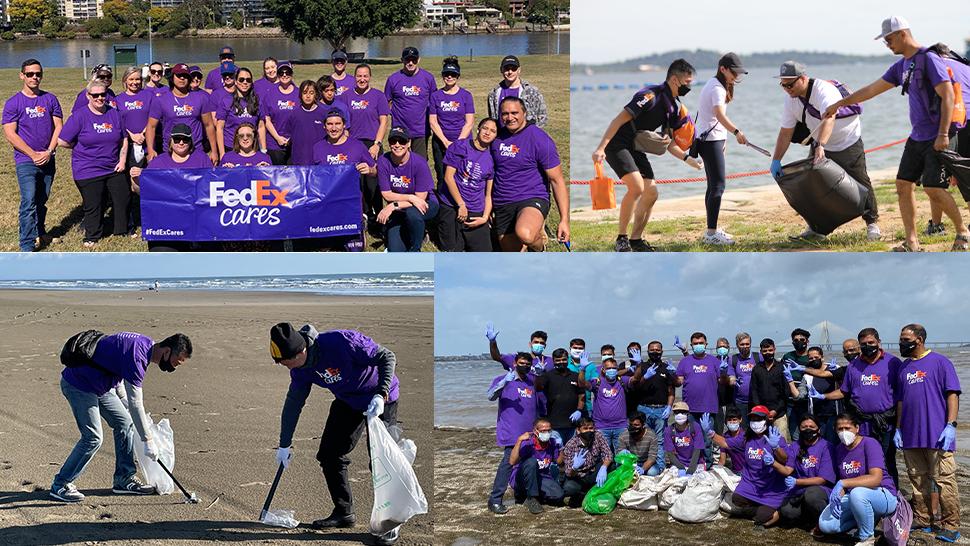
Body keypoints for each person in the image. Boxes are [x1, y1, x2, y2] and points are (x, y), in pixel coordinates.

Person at [824, 16, 970, 251]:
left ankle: (963, 231)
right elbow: (872, 89)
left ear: (903, 34)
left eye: (889, 39)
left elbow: (948, 96)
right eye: (885, 41)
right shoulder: (902, 66)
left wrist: (943, 134)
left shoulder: (928, 58)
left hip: (938, 134)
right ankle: (912, 242)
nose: (887, 44)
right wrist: (841, 103)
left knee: (933, 189)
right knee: (903, 184)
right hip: (917, 136)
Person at [269, 322, 402, 546]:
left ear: (301, 351)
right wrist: (284, 444)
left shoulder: (342, 342)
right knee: (329, 455)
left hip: (381, 397)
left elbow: (387, 356)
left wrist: (381, 394)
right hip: (348, 401)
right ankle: (344, 513)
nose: (286, 367)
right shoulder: (300, 370)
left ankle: (389, 522)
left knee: (383, 463)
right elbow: (294, 404)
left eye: (286, 362)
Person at [50, 331, 193, 502]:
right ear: (167, 351)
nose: (174, 367)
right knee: (93, 438)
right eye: (176, 362)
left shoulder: (144, 344)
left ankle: (123, 479)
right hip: (79, 384)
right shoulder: (137, 356)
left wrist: (124, 402)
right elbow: (136, 403)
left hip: (101, 387)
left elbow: (116, 369)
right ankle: (61, 484)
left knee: (126, 424)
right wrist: (148, 441)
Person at [592, 59, 704, 252]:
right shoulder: (649, 96)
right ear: (675, 80)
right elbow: (617, 120)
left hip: (635, 147)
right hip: (617, 144)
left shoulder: (674, 107)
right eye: (687, 82)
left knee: (651, 192)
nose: (689, 87)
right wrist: (601, 148)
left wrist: (688, 159)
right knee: (636, 187)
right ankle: (621, 239)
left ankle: (636, 240)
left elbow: (668, 143)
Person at [770, 61, 881, 242]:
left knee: (861, 181)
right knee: (812, 187)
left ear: (803, 79)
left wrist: (820, 144)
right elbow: (785, 132)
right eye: (783, 85)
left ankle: (872, 224)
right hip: (820, 144)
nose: (787, 88)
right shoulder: (790, 101)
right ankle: (817, 229)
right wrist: (776, 160)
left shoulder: (823, 90)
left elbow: (829, 117)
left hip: (847, 141)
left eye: (790, 84)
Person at [893, 324, 961, 542]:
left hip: (937, 435)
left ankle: (950, 524)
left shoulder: (941, 362)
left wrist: (951, 425)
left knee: (944, 481)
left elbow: (952, 394)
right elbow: (901, 402)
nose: (901, 343)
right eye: (901, 339)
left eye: (905, 339)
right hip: (911, 436)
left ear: (919, 339)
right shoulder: (904, 368)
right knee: (917, 480)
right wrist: (898, 428)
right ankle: (923, 518)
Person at [808, 327, 901, 485]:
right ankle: (865, 489)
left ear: (879, 342)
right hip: (861, 422)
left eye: (871, 342)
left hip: (885, 422)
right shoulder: (853, 366)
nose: (867, 346)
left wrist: (900, 426)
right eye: (864, 343)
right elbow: (844, 392)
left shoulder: (893, 362)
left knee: (886, 459)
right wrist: (824, 396)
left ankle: (892, 494)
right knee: (861, 458)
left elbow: (901, 396)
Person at [491, 96, 570, 251]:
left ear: (524, 113)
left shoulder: (539, 139)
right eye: (505, 114)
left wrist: (564, 220)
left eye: (515, 113)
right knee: (512, 258)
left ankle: (539, 249)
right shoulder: (496, 138)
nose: (510, 117)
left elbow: (557, 180)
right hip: (502, 201)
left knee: (525, 233)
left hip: (531, 196)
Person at [58, 80, 129, 248]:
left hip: (113, 166)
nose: (99, 98)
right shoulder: (80, 116)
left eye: (102, 94)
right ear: (87, 96)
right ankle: (92, 235)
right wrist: (80, 147)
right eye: (95, 95)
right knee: (94, 204)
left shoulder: (115, 114)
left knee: (123, 197)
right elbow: (62, 141)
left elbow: (124, 139)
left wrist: (123, 160)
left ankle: (122, 229)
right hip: (88, 169)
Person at [3, 58, 62, 252]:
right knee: (28, 201)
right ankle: (27, 245)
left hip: (47, 158)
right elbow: (10, 134)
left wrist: (48, 151)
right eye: (30, 74)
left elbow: (58, 127)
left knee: (41, 199)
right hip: (26, 161)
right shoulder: (13, 103)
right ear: (22, 76)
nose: (34, 77)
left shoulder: (50, 99)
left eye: (38, 74)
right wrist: (33, 154)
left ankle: (40, 231)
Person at [818, 413, 898, 546]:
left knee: (857, 493)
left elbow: (876, 478)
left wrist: (844, 483)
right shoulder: (839, 450)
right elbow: (843, 482)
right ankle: (865, 520)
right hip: (856, 497)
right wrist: (837, 496)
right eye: (840, 429)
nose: (844, 432)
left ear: (857, 428)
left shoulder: (870, 443)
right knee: (826, 525)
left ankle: (867, 538)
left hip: (883, 494)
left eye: (847, 428)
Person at [695, 53, 749, 245]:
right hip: (710, 141)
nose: (736, 76)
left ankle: (712, 230)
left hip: (711, 140)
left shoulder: (715, 84)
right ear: (723, 69)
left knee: (713, 186)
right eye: (733, 72)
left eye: (738, 72)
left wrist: (724, 140)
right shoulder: (717, 88)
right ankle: (711, 234)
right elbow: (718, 114)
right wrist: (736, 132)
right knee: (718, 186)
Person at [706, 407, 788, 529]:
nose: (756, 422)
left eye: (759, 419)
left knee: (761, 519)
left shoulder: (775, 438)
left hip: (770, 487)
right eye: (753, 419)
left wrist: (776, 448)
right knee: (736, 499)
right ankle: (762, 508)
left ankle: (772, 512)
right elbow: (725, 443)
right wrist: (711, 433)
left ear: (766, 420)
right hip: (751, 484)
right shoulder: (746, 438)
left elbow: (784, 459)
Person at [486, 352, 541, 514]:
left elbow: (537, 406)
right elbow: (490, 396)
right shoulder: (503, 379)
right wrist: (504, 382)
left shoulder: (531, 382)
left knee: (530, 464)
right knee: (508, 465)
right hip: (511, 433)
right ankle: (495, 499)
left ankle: (526, 496)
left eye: (527, 363)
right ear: (515, 363)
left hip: (530, 433)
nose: (524, 365)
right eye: (521, 363)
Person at [436, 117, 496, 252]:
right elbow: (448, 177)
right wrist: (461, 204)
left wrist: (485, 217)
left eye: (492, 131)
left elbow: (488, 195)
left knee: (484, 253)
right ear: (478, 129)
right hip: (452, 203)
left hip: (475, 207)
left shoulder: (492, 159)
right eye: (485, 128)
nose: (487, 133)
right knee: (451, 250)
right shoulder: (460, 146)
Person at [375, 127, 439, 251]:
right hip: (401, 208)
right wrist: (410, 197)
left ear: (409, 143)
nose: (397, 145)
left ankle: (416, 248)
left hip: (426, 203)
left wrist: (394, 205)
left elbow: (420, 199)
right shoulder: (383, 161)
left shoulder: (419, 163)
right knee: (395, 250)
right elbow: (386, 194)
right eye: (393, 141)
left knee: (412, 214)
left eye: (402, 141)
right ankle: (412, 231)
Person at [347, 64, 390, 237]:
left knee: (374, 184)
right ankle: (362, 218)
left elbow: (384, 122)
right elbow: (344, 124)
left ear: (370, 77)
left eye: (365, 76)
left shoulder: (378, 96)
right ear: (354, 77)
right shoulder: (346, 96)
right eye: (359, 76)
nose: (362, 79)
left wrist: (377, 144)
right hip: (354, 145)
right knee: (358, 184)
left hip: (373, 145)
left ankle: (379, 220)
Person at [145, 63, 218, 165]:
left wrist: (214, 151)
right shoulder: (160, 99)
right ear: (172, 77)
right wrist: (150, 150)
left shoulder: (201, 98)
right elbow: (151, 126)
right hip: (170, 151)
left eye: (186, 76)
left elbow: (209, 125)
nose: (182, 78)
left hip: (195, 149)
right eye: (179, 75)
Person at [674, 331, 729, 466]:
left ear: (706, 344)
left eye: (701, 343)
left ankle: (707, 464)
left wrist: (723, 372)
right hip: (689, 408)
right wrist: (672, 375)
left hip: (708, 407)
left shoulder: (714, 361)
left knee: (707, 438)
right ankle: (692, 463)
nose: (698, 345)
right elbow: (678, 382)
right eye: (695, 343)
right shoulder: (685, 362)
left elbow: (723, 381)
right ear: (692, 345)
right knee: (690, 437)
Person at [776, 415, 837, 531]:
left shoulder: (827, 447)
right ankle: (809, 519)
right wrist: (774, 458)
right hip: (800, 491)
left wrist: (797, 481)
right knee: (787, 511)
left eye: (811, 426)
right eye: (804, 427)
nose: (808, 429)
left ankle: (824, 522)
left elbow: (823, 479)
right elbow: (787, 469)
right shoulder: (795, 446)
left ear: (818, 429)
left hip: (820, 489)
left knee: (812, 495)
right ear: (799, 429)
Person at [116, 66, 155, 236]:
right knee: (129, 186)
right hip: (128, 146)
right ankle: (130, 223)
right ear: (125, 81)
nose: (134, 82)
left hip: (147, 144)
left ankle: (150, 220)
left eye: (138, 79)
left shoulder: (149, 95)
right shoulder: (118, 99)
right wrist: (132, 135)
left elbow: (153, 118)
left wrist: (143, 134)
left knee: (147, 184)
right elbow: (117, 122)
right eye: (131, 79)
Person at [629, 341, 674, 472]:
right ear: (647, 351)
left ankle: (660, 468)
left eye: (657, 350)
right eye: (652, 350)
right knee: (643, 438)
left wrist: (669, 407)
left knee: (659, 441)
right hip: (644, 409)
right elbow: (635, 386)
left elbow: (671, 391)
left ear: (662, 351)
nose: (655, 352)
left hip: (661, 409)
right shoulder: (642, 367)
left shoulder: (666, 368)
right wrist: (644, 376)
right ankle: (642, 466)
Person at [429, 57, 475, 185]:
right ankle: (443, 202)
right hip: (441, 142)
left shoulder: (466, 95)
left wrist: (458, 143)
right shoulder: (435, 96)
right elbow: (433, 121)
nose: (449, 77)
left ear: (458, 76)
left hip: (462, 142)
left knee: (463, 174)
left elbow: (469, 122)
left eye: (453, 74)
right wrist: (445, 142)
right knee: (442, 175)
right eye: (446, 74)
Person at [384, 46, 437, 159]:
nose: (411, 63)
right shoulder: (393, 79)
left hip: (421, 129)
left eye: (414, 60)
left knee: (420, 161)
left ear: (419, 60)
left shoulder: (428, 78)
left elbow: (434, 103)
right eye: (407, 60)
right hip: (400, 129)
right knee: (400, 160)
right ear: (402, 60)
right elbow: (387, 102)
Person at [507, 418, 564, 513]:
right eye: (543, 431)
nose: (546, 433)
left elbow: (558, 461)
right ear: (535, 431)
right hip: (523, 478)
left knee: (559, 495)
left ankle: (530, 497)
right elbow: (512, 461)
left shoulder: (552, 442)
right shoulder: (528, 443)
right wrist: (519, 441)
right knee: (532, 462)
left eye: (548, 430)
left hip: (542, 477)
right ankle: (531, 498)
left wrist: (561, 447)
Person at [577, 356, 631, 454]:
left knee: (622, 456)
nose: (611, 370)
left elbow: (636, 379)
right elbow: (581, 384)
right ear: (603, 370)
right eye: (608, 368)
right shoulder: (597, 382)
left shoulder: (622, 381)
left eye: (614, 368)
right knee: (603, 456)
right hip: (601, 427)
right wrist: (582, 369)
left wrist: (639, 364)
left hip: (621, 426)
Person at [749, 338, 799, 440]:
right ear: (761, 352)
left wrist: (775, 411)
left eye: (770, 350)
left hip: (779, 414)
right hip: (761, 415)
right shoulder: (756, 369)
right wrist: (761, 410)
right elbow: (754, 391)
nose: (768, 353)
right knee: (762, 442)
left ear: (774, 349)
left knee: (781, 443)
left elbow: (786, 393)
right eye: (765, 351)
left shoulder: (782, 368)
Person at [559, 417, 612, 508]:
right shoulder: (571, 445)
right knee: (569, 489)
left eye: (591, 428)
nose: (589, 431)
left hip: (594, 471)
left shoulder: (598, 435)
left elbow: (608, 453)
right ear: (578, 430)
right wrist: (575, 467)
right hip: (578, 476)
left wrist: (603, 467)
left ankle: (599, 490)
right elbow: (569, 473)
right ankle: (583, 493)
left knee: (612, 466)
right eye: (585, 428)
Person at [535, 348, 582, 444]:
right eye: (558, 360)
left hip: (572, 423)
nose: (561, 362)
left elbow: (581, 394)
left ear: (567, 359)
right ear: (553, 361)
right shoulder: (548, 375)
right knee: (557, 453)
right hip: (554, 424)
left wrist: (579, 410)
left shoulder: (575, 376)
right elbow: (538, 388)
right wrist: (538, 375)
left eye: (564, 359)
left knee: (572, 451)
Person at [215, 67, 264, 160]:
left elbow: (261, 127)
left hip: (252, 148)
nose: (245, 82)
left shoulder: (257, 101)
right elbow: (219, 128)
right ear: (236, 82)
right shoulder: (226, 101)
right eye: (241, 80)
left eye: (248, 80)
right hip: (231, 147)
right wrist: (222, 153)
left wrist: (264, 150)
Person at [487, 55, 547, 128]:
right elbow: (493, 118)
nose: (510, 72)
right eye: (506, 69)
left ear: (519, 70)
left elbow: (542, 117)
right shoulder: (493, 94)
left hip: (526, 136)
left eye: (514, 69)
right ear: (501, 70)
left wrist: (532, 133)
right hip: (502, 137)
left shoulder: (532, 91)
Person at [311, 108, 375, 177]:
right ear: (324, 126)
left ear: (344, 125)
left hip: (350, 187)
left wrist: (370, 170)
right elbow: (309, 174)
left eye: (338, 124)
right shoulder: (317, 148)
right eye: (329, 124)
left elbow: (375, 170)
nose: (334, 128)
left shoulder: (357, 146)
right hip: (325, 187)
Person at [262, 61, 298, 165]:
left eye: (288, 72)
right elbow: (266, 120)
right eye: (281, 73)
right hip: (274, 144)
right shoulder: (270, 94)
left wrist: (292, 138)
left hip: (294, 142)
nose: (285, 75)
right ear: (278, 75)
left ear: (292, 74)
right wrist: (278, 138)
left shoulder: (299, 93)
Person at [285, 80, 328, 166]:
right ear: (300, 94)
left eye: (311, 93)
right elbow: (288, 135)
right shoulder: (294, 114)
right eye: (305, 93)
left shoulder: (324, 113)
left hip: (319, 160)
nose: (308, 96)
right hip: (299, 159)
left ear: (316, 94)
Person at [782, 328, 812, 441]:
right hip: (790, 403)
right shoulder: (787, 357)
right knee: (794, 433)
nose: (799, 342)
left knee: (809, 431)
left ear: (807, 341)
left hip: (807, 403)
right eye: (796, 340)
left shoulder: (811, 357)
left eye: (802, 339)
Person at [486, 326, 552, 373]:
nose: (539, 345)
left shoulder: (551, 361)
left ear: (545, 346)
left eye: (541, 343)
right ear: (530, 344)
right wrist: (492, 342)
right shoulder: (518, 359)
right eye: (536, 342)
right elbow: (497, 357)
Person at [663, 401, 704, 475]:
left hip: (695, 463)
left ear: (688, 414)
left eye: (683, 412)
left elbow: (697, 450)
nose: (680, 414)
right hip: (678, 464)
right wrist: (681, 468)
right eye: (677, 412)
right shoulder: (669, 430)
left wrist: (691, 469)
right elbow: (670, 453)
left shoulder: (695, 427)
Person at [617, 411, 661, 476]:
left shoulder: (651, 436)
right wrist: (622, 453)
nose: (633, 427)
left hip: (646, 462)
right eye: (631, 425)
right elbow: (619, 455)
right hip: (631, 462)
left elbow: (652, 458)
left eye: (636, 425)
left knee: (652, 472)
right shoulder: (623, 436)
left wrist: (643, 468)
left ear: (643, 425)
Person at [732, 332, 758, 422]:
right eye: (742, 344)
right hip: (740, 402)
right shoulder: (733, 359)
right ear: (737, 345)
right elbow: (731, 377)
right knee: (743, 429)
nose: (745, 346)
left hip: (756, 401)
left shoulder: (758, 357)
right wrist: (734, 381)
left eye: (747, 344)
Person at [718, 406, 745, 472]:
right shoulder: (725, 437)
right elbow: (722, 460)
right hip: (735, 472)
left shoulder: (744, 436)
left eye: (734, 420)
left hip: (747, 472)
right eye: (729, 420)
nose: (732, 422)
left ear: (740, 420)